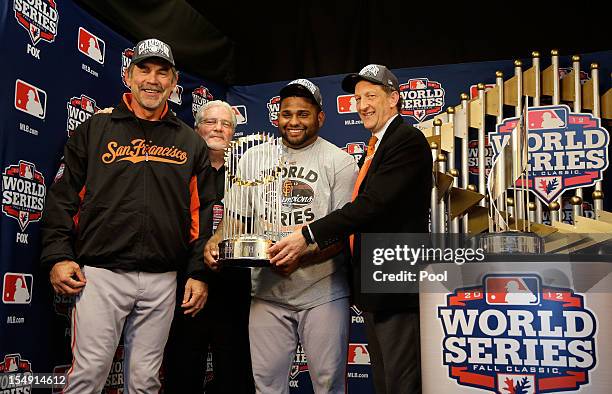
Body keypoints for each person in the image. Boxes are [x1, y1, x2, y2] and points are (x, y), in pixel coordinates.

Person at [40, 38, 213, 394]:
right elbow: (64, 197)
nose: (152, 80)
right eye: (144, 70)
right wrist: (58, 255)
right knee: (88, 376)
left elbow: (203, 213)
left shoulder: (189, 142)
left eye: (161, 73)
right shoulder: (95, 130)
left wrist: (197, 272)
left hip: (163, 279)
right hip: (101, 275)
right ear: (128, 75)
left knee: (146, 382)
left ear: (174, 82)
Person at [269, 65, 432, 393]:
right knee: (385, 380)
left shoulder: (406, 139)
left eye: (371, 96)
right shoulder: (377, 145)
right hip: (377, 282)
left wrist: (308, 234)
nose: (362, 105)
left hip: (396, 281)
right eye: (358, 98)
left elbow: (371, 205)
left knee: (400, 382)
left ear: (394, 99)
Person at [204, 79, 358, 394]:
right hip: (267, 292)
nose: (293, 121)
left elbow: (343, 232)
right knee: (267, 386)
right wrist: (215, 240)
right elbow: (235, 217)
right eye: (286, 114)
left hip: (321, 292)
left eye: (303, 114)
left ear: (320, 117)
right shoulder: (252, 159)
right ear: (277, 116)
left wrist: (301, 256)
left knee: (329, 386)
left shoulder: (339, 162)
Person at [164, 100, 255, 393]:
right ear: (196, 127)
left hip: (233, 285)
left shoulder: (247, 175)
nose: (218, 128)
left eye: (226, 124)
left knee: (234, 370)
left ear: (234, 133)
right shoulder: (179, 168)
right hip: (186, 282)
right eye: (210, 122)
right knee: (183, 366)